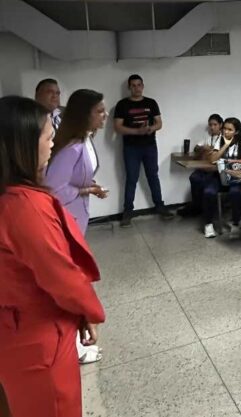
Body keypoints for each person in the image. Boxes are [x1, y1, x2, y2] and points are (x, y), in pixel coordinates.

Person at [0, 96, 105, 417]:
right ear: (24, 146)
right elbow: (59, 273)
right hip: (36, 333)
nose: (51, 145)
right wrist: (89, 310)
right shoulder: (24, 207)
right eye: (47, 138)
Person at [45, 89, 109, 235]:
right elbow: (55, 190)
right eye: (100, 111)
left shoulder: (85, 139)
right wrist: (88, 190)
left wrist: (90, 183)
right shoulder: (72, 148)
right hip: (68, 214)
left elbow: (75, 173)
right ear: (84, 115)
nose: (106, 115)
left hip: (78, 212)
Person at [114, 74, 173, 227]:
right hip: (131, 147)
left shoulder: (151, 103)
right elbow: (117, 127)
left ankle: (160, 206)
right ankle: (128, 211)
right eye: (133, 85)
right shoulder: (122, 105)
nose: (136, 88)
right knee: (131, 178)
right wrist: (136, 132)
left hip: (149, 146)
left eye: (139, 85)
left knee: (153, 176)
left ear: (143, 86)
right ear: (129, 87)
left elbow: (159, 123)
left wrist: (150, 128)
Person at [202, 117, 241, 239]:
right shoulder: (220, 139)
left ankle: (235, 224)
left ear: (237, 131)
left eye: (230, 130)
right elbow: (213, 159)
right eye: (224, 129)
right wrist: (226, 145)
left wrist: (225, 160)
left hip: (236, 176)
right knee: (208, 192)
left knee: (236, 192)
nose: (226, 132)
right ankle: (208, 224)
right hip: (220, 175)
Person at [178, 114, 224, 218]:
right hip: (206, 167)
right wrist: (204, 149)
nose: (212, 127)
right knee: (194, 177)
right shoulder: (209, 138)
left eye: (215, 124)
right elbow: (196, 148)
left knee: (203, 180)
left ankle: (201, 207)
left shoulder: (224, 139)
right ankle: (197, 206)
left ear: (220, 125)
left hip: (216, 169)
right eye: (210, 125)